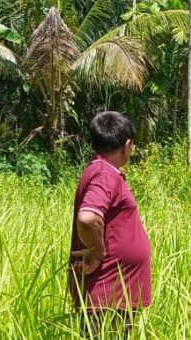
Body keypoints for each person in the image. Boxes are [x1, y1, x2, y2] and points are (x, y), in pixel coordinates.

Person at [69, 111, 152, 338]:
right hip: (109, 293)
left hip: (113, 293)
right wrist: (98, 252)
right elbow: (87, 218)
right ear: (127, 145)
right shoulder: (105, 174)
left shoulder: (101, 171)